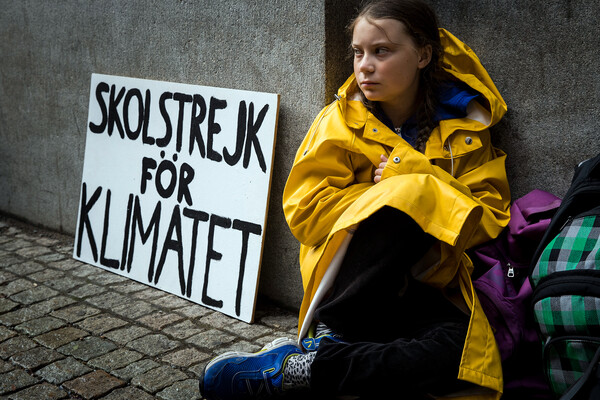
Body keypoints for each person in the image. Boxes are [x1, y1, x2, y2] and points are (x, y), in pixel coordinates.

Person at [200, 0, 511, 398]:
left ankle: (305, 369)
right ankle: (338, 331)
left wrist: (420, 174)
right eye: (358, 52)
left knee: (466, 361)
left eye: (382, 51)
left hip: (430, 285)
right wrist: (390, 194)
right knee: (405, 195)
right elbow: (305, 212)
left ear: (423, 55)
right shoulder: (338, 120)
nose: (364, 65)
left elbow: (490, 216)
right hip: (350, 293)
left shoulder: (466, 127)